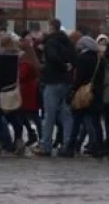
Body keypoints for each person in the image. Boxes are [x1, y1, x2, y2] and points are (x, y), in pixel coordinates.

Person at [38, 19, 75, 157]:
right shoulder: (67, 41)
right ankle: (67, 144)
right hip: (66, 81)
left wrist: (61, 66)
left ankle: (45, 145)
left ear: (51, 27)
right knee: (66, 114)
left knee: (49, 115)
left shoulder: (50, 41)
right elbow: (74, 58)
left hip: (52, 80)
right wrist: (68, 67)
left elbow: (52, 57)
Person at [0, 34, 25, 156]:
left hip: (1, 91)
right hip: (14, 89)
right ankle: (19, 141)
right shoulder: (18, 56)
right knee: (15, 117)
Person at [18, 38, 42, 148]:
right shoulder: (33, 58)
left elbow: (22, 75)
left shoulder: (25, 61)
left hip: (26, 91)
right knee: (29, 115)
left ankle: (38, 136)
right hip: (31, 90)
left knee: (30, 115)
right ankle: (36, 135)